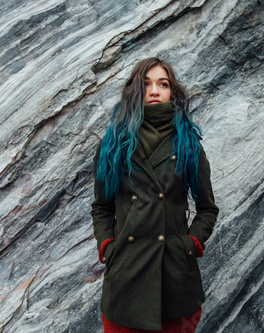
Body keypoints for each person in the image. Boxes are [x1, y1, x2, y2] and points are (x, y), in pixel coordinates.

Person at [91, 57, 219, 332]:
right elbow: (102, 208)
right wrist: (108, 248)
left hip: (174, 280)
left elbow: (207, 208)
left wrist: (190, 245)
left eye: (163, 84)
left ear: (172, 92)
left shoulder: (187, 144)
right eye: (146, 84)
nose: (154, 91)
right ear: (134, 91)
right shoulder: (113, 144)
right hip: (125, 279)